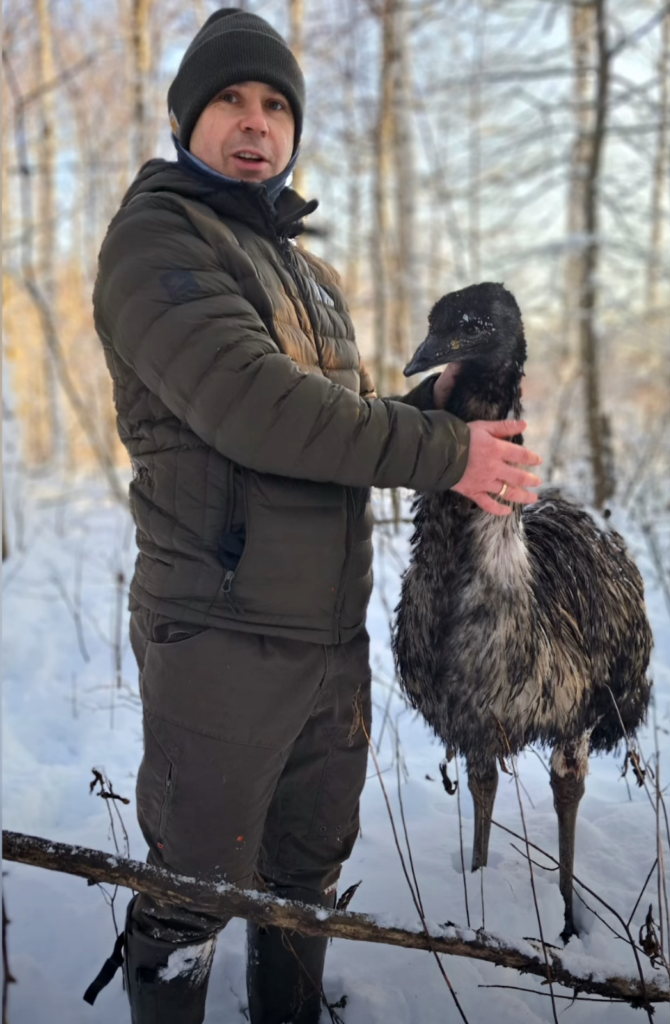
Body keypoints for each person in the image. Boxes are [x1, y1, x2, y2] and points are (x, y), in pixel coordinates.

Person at [87, 9, 542, 1023]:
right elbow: (261, 409)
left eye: (276, 105)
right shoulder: (158, 239)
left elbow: (340, 422)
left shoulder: (306, 274)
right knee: (198, 880)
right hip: (222, 628)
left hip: (327, 634)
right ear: (186, 119)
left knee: (304, 869)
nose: (256, 123)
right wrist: (442, 452)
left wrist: (439, 410)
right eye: (232, 102)